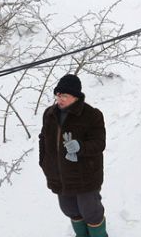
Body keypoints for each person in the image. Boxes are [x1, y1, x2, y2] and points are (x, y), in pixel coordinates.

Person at [39, 74, 108, 237]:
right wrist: (43, 162)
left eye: (64, 96)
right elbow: (43, 139)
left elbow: (99, 143)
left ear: (75, 97)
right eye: (57, 95)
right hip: (59, 175)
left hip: (85, 175)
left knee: (91, 212)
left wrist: (80, 147)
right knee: (70, 210)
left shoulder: (92, 115)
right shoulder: (49, 114)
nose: (59, 99)